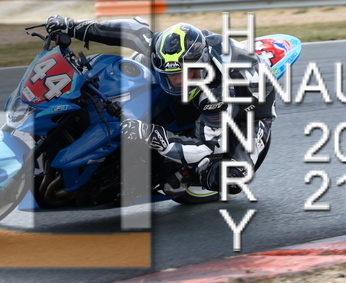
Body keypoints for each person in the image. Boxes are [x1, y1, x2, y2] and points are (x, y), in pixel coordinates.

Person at [45, 15, 276, 199]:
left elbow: (204, 146)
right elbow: (128, 29)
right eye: (171, 75)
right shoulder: (161, 49)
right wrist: (72, 26)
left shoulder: (217, 94)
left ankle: (188, 174)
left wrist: (152, 135)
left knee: (232, 176)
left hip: (250, 107)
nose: (179, 82)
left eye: (187, 74)